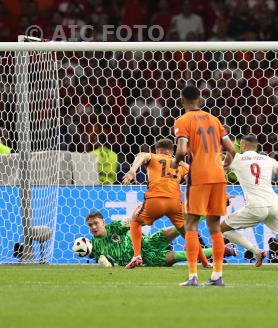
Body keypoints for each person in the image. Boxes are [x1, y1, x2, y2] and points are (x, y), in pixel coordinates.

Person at [172, 85, 236, 286]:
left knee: (190, 224)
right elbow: (231, 149)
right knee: (215, 225)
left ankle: (192, 276)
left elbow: (182, 149)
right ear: (200, 100)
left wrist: (175, 162)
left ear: (182, 101)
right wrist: (225, 164)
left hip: (199, 176)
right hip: (218, 176)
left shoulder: (182, 120)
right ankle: (217, 275)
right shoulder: (214, 119)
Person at [220, 135, 278, 269]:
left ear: (243, 146)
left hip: (256, 207)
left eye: (240, 145)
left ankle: (257, 252)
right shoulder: (268, 159)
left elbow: (220, 173)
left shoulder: (236, 158)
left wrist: (223, 194)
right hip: (273, 205)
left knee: (222, 229)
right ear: (256, 147)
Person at [122, 138, 210, 268]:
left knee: (135, 220)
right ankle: (205, 262)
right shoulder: (178, 164)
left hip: (155, 201)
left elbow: (141, 155)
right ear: (172, 152)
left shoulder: (153, 157)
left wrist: (132, 170)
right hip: (174, 203)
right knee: (189, 233)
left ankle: (137, 255)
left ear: (157, 150)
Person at [84, 211, 237, 267]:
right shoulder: (95, 246)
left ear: (103, 222)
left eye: (96, 223)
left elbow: (133, 222)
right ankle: (226, 250)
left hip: (147, 243)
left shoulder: (114, 227)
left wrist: (137, 217)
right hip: (149, 259)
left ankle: (208, 214)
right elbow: (108, 263)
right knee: (182, 255)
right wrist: (103, 263)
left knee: (178, 226)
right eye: (90, 225)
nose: (93, 227)